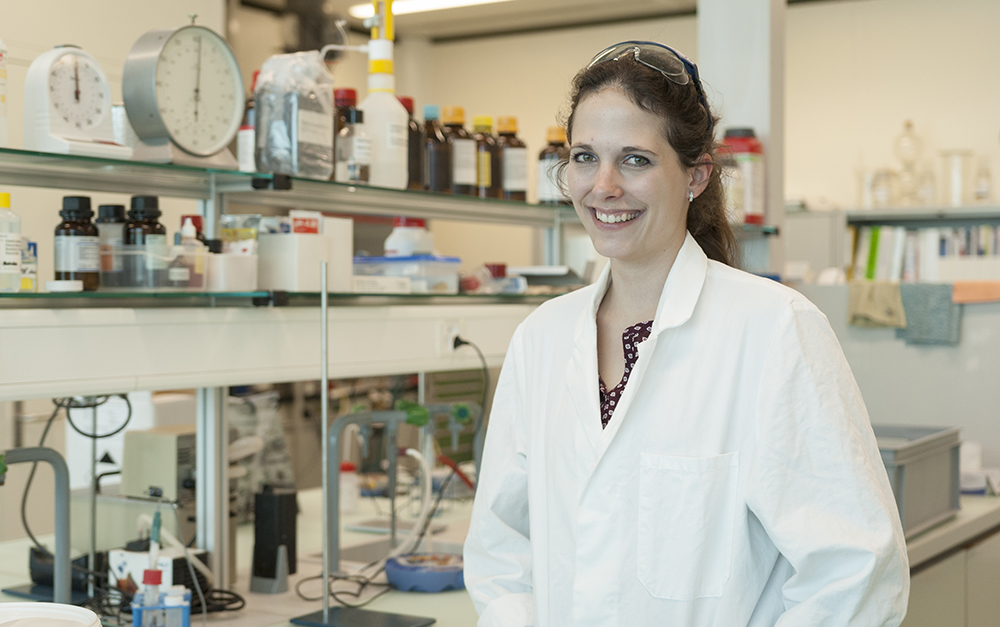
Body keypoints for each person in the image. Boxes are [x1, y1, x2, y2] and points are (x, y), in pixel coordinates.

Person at [463, 41, 909, 626]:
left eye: (635, 160)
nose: (603, 186)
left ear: (695, 175)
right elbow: (501, 549)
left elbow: (855, 571)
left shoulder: (774, 329)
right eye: (584, 157)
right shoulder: (540, 339)